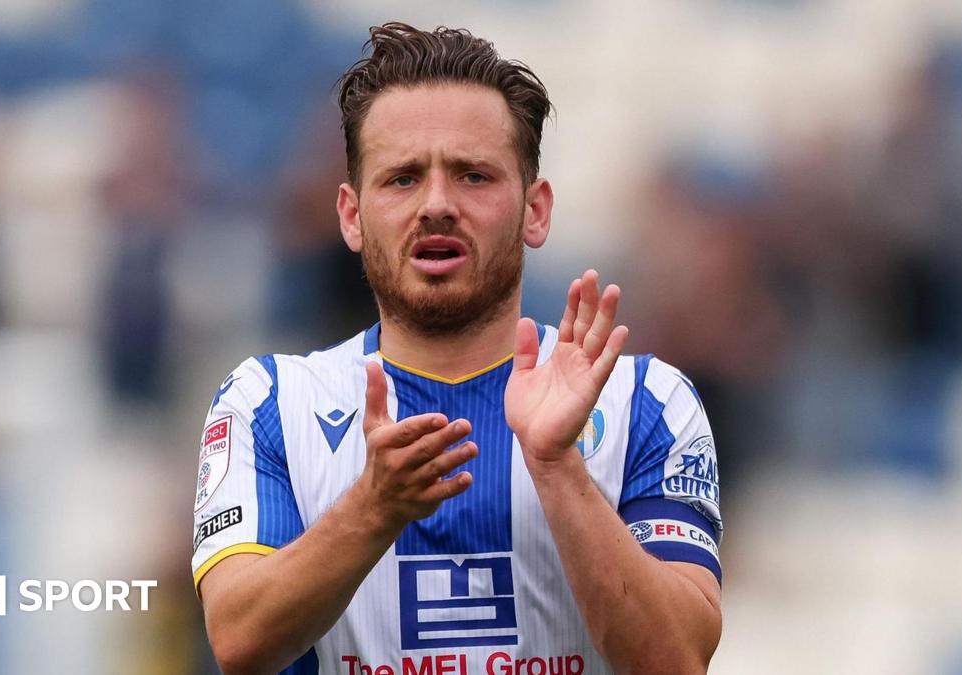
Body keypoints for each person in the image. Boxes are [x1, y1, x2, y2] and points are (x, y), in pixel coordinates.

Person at [192, 22, 722, 674]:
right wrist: (374, 506)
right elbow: (239, 641)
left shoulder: (645, 400)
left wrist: (557, 467)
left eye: (473, 176)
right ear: (352, 215)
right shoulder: (268, 402)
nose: (438, 204)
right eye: (403, 179)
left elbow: (677, 661)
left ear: (536, 209)